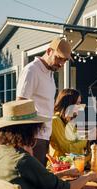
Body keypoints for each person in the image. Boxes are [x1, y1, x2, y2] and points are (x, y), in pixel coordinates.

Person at [16, 37, 72, 166]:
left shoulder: (50, 74)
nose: (62, 63)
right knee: (33, 181)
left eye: (65, 60)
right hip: (32, 138)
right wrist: (25, 141)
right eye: (59, 58)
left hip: (45, 136)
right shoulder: (31, 70)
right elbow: (20, 105)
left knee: (41, 181)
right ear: (48, 51)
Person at [50, 88, 97, 189]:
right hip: (62, 172)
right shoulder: (55, 121)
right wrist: (88, 136)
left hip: (76, 169)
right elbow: (69, 148)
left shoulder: (70, 122)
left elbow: (79, 149)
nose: (80, 107)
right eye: (77, 103)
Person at [50, 88, 88, 159]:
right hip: (60, 166)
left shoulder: (68, 122)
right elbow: (67, 149)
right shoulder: (55, 121)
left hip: (71, 163)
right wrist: (86, 140)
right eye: (77, 103)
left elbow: (78, 139)